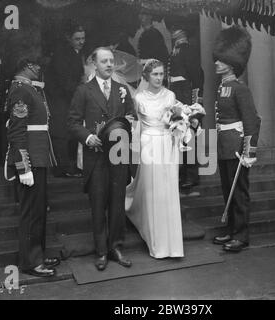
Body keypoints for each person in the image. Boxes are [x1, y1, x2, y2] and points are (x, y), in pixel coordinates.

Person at [125, 59, 205, 259]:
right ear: (146, 76)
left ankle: (173, 245)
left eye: (161, 74)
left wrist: (182, 122)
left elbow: (176, 119)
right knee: (153, 189)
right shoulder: (139, 98)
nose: (159, 78)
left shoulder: (170, 96)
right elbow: (136, 125)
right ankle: (157, 244)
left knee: (168, 189)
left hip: (168, 144)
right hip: (149, 143)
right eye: (155, 74)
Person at [68, 47, 135, 271]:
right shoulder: (83, 91)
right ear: (94, 64)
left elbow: (131, 117)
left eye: (111, 61)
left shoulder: (122, 89)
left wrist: (127, 123)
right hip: (95, 156)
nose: (109, 65)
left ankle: (116, 247)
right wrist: (88, 138)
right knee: (98, 204)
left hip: (118, 154)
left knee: (117, 203)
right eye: (104, 61)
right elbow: (73, 122)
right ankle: (101, 251)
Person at [4, 53, 60, 277]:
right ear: (27, 66)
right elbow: (16, 132)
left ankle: (38, 255)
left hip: (38, 157)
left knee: (39, 210)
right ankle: (30, 262)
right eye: (36, 65)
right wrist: (22, 166)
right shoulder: (20, 90)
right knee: (31, 212)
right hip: (29, 160)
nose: (39, 69)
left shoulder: (29, 89)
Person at [211, 26, 261, 253]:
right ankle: (232, 230)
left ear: (231, 63)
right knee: (227, 189)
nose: (217, 63)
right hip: (225, 146)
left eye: (221, 60)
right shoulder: (223, 86)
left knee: (238, 192)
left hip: (237, 148)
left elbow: (252, 121)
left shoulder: (240, 90)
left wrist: (249, 152)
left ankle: (241, 235)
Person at [167, 25, 204, 193]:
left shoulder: (187, 49)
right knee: (178, 133)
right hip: (176, 93)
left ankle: (191, 175)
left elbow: (197, 75)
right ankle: (184, 173)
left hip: (186, 94)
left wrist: (194, 101)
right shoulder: (176, 50)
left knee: (188, 135)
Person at [46, 23, 86, 178]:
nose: (81, 42)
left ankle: (68, 167)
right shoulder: (63, 54)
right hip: (60, 98)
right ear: (68, 38)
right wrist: (81, 95)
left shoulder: (74, 53)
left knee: (67, 132)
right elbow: (65, 82)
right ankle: (62, 168)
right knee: (61, 133)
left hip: (68, 97)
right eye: (77, 39)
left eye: (83, 38)